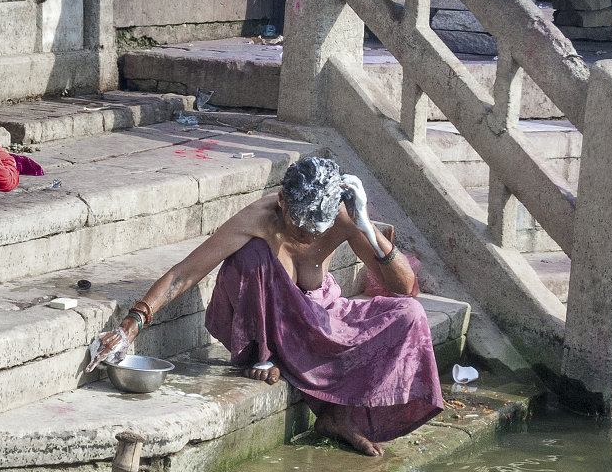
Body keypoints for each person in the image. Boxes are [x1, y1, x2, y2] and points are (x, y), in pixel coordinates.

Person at [87, 157, 443, 456]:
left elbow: (403, 288)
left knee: (411, 315)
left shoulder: (344, 217)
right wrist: (132, 323)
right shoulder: (259, 218)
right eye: (300, 227)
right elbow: (185, 273)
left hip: (324, 317)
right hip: (270, 332)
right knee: (250, 256)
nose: (307, 237)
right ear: (283, 204)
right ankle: (266, 354)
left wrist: (366, 225)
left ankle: (337, 417)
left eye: (316, 231)